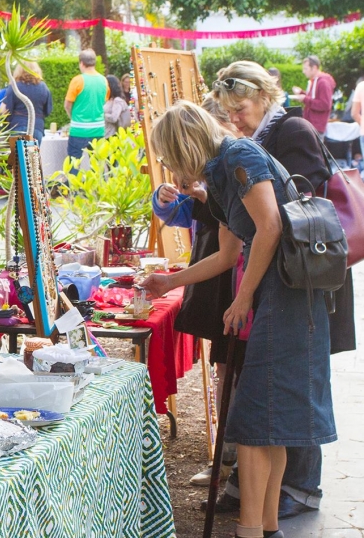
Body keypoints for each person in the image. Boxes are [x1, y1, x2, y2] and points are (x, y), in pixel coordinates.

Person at [143, 100, 336, 538]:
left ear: (182, 144)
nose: (169, 165)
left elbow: (269, 227)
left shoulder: (239, 156)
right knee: (269, 422)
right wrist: (168, 281)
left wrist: (244, 297)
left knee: (254, 421)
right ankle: (266, 528)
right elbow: (227, 254)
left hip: (287, 296)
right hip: (277, 295)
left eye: (169, 155)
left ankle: (249, 530)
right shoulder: (220, 172)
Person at [207, 61, 355, 520]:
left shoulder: (290, 130)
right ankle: (265, 495)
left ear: (264, 95)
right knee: (286, 384)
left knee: (297, 386)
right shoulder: (257, 140)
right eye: (228, 112)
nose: (235, 118)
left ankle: (302, 487)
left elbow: (295, 205)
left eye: (242, 108)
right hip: (288, 272)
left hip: (307, 270)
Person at [152, 97, 245, 488]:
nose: (173, 169)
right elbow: (189, 216)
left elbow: (233, 250)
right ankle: (231, 464)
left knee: (235, 373)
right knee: (226, 369)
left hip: (237, 284)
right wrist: (168, 198)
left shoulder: (231, 166)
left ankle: (236, 468)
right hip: (220, 277)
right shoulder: (217, 168)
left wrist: (172, 282)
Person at [64, 49, 109, 159]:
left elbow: (67, 105)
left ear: (81, 63)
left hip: (79, 129)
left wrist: (72, 117)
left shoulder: (77, 80)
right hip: (98, 129)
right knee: (97, 166)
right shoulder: (103, 80)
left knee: (73, 164)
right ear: (94, 62)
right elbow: (105, 102)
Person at [3, 61, 53, 143]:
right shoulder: (44, 88)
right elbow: (48, 110)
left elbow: (6, 110)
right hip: (36, 127)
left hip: (18, 126)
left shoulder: (15, 86)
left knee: (18, 155)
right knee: (31, 155)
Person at [289, 55, 335, 137]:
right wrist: (302, 93)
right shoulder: (315, 81)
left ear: (314, 68)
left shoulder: (323, 82)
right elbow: (314, 99)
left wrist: (304, 99)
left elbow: (325, 105)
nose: (303, 71)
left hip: (316, 127)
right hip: (312, 125)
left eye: (305, 69)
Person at [103, 74, 131, 138]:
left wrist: (102, 114)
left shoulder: (117, 101)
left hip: (113, 135)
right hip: (107, 133)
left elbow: (114, 118)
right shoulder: (110, 100)